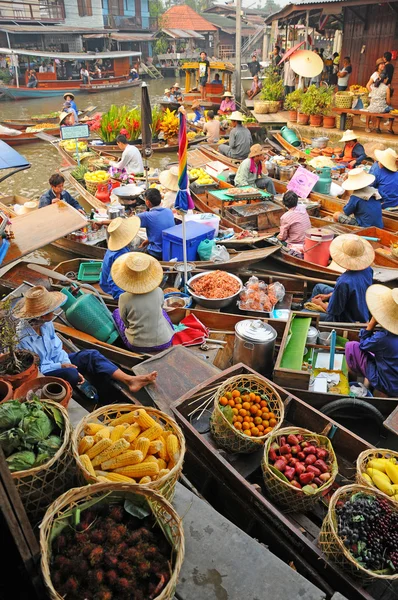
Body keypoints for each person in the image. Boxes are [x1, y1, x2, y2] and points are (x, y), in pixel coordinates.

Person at [16, 286, 156, 394]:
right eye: (49, 312)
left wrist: (65, 362)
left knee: (91, 355)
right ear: (40, 315)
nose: (53, 313)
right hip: (42, 372)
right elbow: (33, 369)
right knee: (70, 374)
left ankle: (129, 380)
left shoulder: (46, 324)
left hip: (58, 363)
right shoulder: (21, 337)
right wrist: (62, 367)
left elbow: (57, 349)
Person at [112, 253, 174, 353]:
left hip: (137, 345)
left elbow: (125, 322)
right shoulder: (158, 291)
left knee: (116, 313)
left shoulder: (124, 297)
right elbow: (161, 307)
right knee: (162, 312)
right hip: (165, 341)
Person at [345, 284, 398, 397]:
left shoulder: (383, 338)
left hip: (389, 384)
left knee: (352, 346)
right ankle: (367, 383)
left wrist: (371, 324)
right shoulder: (383, 337)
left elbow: (363, 345)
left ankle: (351, 382)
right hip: (394, 375)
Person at [309, 234, 374, 323]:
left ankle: (309, 307)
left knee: (303, 312)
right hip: (360, 309)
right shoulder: (368, 269)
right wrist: (328, 296)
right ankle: (311, 302)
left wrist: (319, 303)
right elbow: (352, 293)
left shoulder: (344, 282)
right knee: (318, 287)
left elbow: (334, 311)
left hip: (347, 319)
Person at [100, 216, 140, 299]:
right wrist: (121, 299)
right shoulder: (121, 254)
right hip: (109, 288)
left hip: (105, 282)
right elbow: (113, 280)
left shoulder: (116, 248)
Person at [138, 188, 175, 260]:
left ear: (148, 202)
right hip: (170, 249)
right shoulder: (168, 211)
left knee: (133, 252)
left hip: (156, 253)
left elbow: (129, 222)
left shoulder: (146, 216)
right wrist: (148, 240)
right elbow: (160, 228)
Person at [277, 190, 311, 256]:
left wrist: (277, 237)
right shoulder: (303, 208)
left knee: (277, 240)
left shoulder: (285, 217)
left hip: (295, 244)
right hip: (307, 240)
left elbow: (282, 237)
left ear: (284, 203)